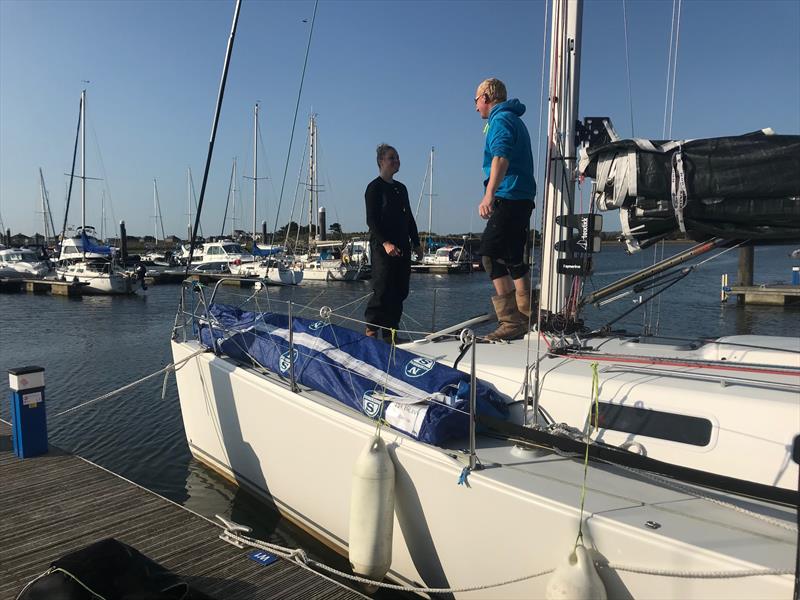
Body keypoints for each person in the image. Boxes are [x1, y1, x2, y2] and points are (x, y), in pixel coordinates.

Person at [474, 77, 536, 341]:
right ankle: (528, 316)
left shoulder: (499, 120)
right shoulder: (514, 120)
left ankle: (511, 321)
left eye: (476, 100)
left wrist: (488, 195)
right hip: (522, 196)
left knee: (488, 253)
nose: (475, 107)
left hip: (508, 196)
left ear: (486, 97)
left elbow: (500, 156)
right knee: (512, 256)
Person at [364, 144, 422, 341]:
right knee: (382, 289)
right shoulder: (374, 188)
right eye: (392, 158)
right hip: (383, 248)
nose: (396, 161)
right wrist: (386, 243)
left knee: (400, 290)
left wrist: (416, 242)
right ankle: (371, 333)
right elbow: (371, 220)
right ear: (381, 161)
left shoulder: (401, 188)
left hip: (402, 246)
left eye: (397, 158)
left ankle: (391, 334)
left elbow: (409, 218)